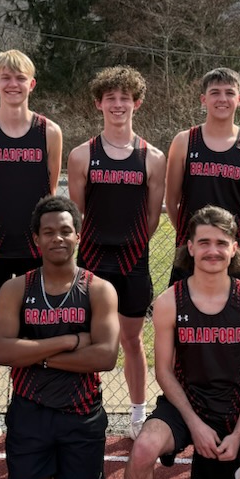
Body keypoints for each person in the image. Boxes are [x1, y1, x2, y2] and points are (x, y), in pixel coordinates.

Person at [98, 205, 240, 479]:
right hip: (183, 404)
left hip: (229, 413)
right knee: (143, 448)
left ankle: (222, 467)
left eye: (221, 243)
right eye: (203, 242)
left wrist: (239, 433)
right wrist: (193, 423)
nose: (212, 250)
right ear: (189, 247)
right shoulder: (169, 301)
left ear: (235, 247)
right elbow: (163, 371)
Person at [0, 195, 120, 479]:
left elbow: (106, 356)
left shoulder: (99, 289)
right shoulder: (16, 288)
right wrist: (68, 341)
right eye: (48, 232)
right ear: (36, 239)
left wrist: (32, 354)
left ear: (79, 235)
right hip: (31, 409)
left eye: (65, 230)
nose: (57, 238)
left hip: (81, 412)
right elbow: (1, 350)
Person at [0, 50, 62, 452]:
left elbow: (49, 191)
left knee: (36, 331)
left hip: (33, 251)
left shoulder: (49, 132)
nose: (13, 84)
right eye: (6, 77)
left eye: (20, 78)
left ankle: (31, 406)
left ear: (31, 84)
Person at [67, 65, 166, 439]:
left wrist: (130, 245)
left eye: (125, 98)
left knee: (132, 341)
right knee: (89, 339)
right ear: (99, 104)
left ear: (137, 103)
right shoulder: (80, 156)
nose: (118, 104)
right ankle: (85, 409)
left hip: (132, 262)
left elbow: (153, 216)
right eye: (111, 98)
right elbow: (79, 212)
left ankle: (138, 415)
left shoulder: (153, 157)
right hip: (92, 262)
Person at [165, 67, 240, 289]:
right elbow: (172, 201)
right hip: (191, 248)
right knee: (186, 316)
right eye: (215, 92)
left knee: (239, 317)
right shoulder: (184, 141)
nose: (222, 99)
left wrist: (228, 238)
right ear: (203, 99)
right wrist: (192, 234)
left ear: (239, 99)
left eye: (229, 93)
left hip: (236, 250)